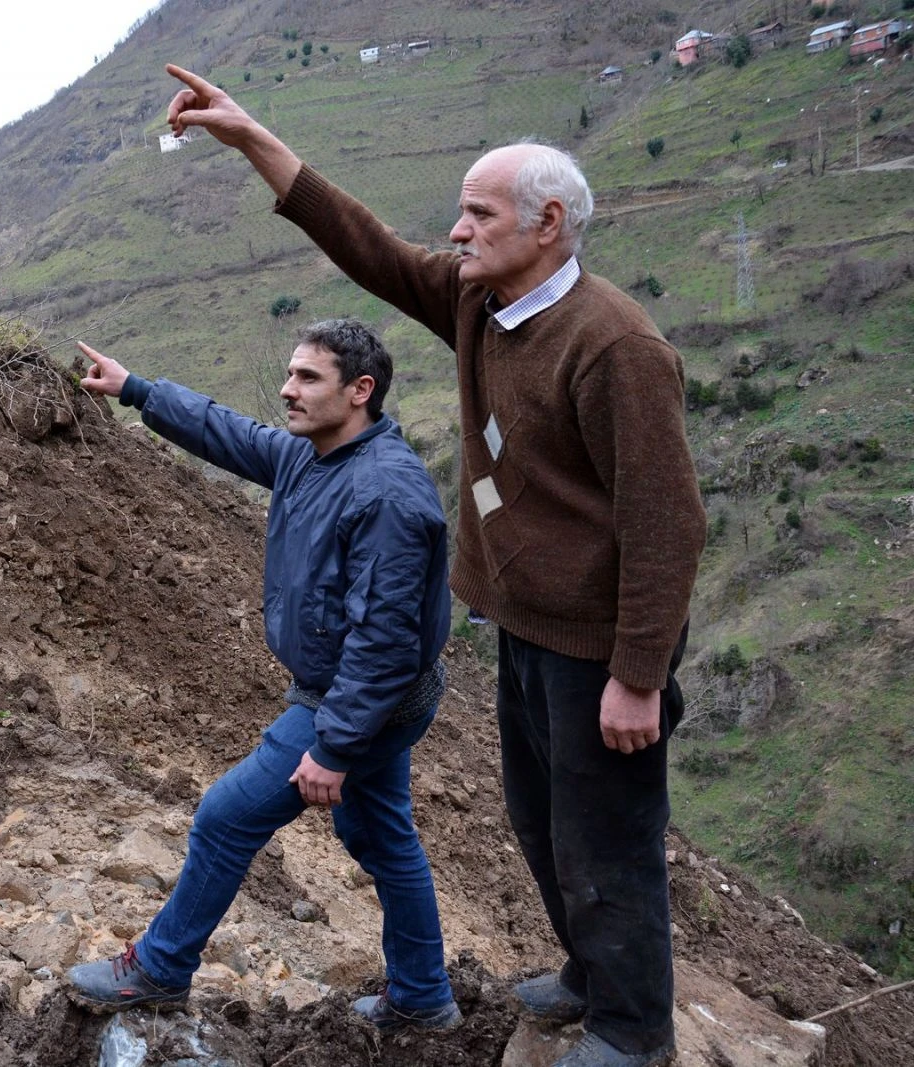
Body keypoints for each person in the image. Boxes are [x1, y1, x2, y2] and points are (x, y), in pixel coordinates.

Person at [159, 64, 704, 1067]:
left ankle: (634, 1027)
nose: (456, 231)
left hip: (600, 649)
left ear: (547, 224)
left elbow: (666, 523)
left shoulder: (614, 344)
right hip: (527, 629)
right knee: (542, 823)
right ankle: (590, 973)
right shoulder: (474, 304)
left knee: (607, 835)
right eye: (458, 213)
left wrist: (637, 672)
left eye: (477, 213)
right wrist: (250, 139)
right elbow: (364, 245)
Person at [67, 319, 462, 1033]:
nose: (288, 389)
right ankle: (423, 994)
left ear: (361, 390)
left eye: (308, 377)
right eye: (290, 373)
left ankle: (161, 967)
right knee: (381, 836)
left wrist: (335, 746)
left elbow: (384, 642)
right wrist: (139, 391)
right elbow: (229, 433)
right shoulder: (312, 455)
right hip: (347, 690)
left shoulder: (387, 495)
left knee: (225, 817)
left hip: (362, 698)